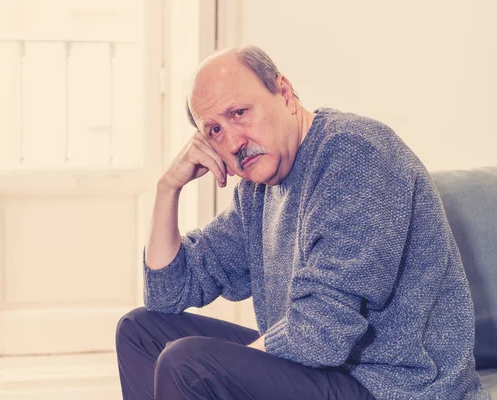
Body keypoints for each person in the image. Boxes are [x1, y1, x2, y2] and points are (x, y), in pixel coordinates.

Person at [115, 45, 490, 399]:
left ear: (285, 93)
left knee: (189, 364)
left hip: (394, 388)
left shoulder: (356, 155)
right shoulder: (258, 190)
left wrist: (222, 374)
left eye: (238, 113)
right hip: (328, 375)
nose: (232, 143)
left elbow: (321, 333)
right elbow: (168, 293)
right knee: (140, 331)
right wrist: (168, 188)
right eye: (214, 131)